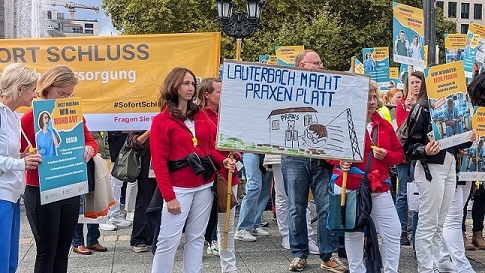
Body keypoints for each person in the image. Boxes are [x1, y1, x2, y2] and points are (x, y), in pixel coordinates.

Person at [150, 67, 236, 273]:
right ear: (174, 86)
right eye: (185, 83)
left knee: (197, 237)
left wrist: (222, 161)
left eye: (192, 84)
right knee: (168, 240)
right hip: (178, 188)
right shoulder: (162, 120)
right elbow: (159, 162)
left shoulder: (200, 115)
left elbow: (207, 147)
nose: (191, 88)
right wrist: (169, 196)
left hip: (204, 185)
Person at [20, 65, 99, 273]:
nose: (64, 99)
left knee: (63, 251)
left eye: (69, 94)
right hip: (40, 189)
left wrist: (90, 148)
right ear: (47, 89)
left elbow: (91, 141)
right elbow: (16, 154)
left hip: (69, 188)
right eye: (61, 93)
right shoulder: (30, 118)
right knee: (46, 252)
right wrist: (27, 156)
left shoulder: (74, 116)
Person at [282, 49, 348, 272]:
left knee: (326, 207)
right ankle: (299, 253)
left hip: (322, 157)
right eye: (316, 63)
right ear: (302, 66)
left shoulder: (330, 90)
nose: (321, 66)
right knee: (296, 207)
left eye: (321, 63)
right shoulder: (287, 89)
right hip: (294, 156)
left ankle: (327, 255)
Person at [403, 70, 475, 273]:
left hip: (449, 167)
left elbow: (456, 140)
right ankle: (426, 268)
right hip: (430, 168)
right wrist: (424, 150)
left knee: (440, 221)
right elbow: (409, 147)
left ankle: (434, 264)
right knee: (429, 221)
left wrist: (468, 139)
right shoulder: (423, 108)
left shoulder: (452, 106)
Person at [330, 81, 405, 273]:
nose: (372, 102)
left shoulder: (385, 125)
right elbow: (328, 151)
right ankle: (357, 270)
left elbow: (400, 155)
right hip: (349, 186)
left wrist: (386, 155)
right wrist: (339, 161)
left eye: (374, 97)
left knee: (393, 231)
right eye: (367, 97)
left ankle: (391, 270)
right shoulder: (343, 122)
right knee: (353, 232)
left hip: (379, 187)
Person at [0, 63, 42, 273]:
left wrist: (22, 156)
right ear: (19, 89)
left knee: (10, 260)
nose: (35, 94)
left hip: (12, 194)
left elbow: (5, 154)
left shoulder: (11, 115)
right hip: (2, 194)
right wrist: (20, 163)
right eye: (33, 89)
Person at [198, 77, 242, 272]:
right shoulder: (200, 116)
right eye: (219, 91)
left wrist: (237, 153)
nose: (223, 95)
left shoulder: (225, 116)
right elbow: (205, 147)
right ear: (207, 94)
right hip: (210, 177)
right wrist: (223, 159)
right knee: (200, 226)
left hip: (229, 175)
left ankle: (229, 267)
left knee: (227, 226)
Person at [262, 154, 319, 254]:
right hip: (279, 153)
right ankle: (286, 235)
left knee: (301, 198)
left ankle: (307, 237)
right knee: (283, 195)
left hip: (304, 153)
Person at [71, 131, 109, 255]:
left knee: (93, 201)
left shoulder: (80, 119)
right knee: (77, 205)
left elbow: (92, 141)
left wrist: (90, 148)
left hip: (87, 163)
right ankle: (77, 242)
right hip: (70, 165)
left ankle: (93, 239)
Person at [395, 74, 420, 246]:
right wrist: (408, 110)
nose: (415, 86)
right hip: (404, 155)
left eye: (418, 82)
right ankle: (402, 230)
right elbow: (405, 129)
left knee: (417, 193)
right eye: (412, 83)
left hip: (419, 155)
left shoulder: (426, 104)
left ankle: (417, 232)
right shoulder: (401, 105)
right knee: (403, 193)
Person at [129, 130, 157, 253]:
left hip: (168, 160)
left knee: (161, 201)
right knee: (144, 199)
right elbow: (135, 142)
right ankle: (139, 238)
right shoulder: (141, 116)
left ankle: (154, 236)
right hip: (147, 161)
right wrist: (151, 130)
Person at [234, 153, 272, 242]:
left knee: (264, 189)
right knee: (254, 186)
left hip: (269, 151)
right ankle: (242, 228)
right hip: (249, 148)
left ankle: (254, 224)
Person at [99, 131, 132, 231]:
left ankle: (114, 214)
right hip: (107, 149)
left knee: (117, 184)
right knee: (107, 184)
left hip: (118, 148)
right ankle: (104, 217)